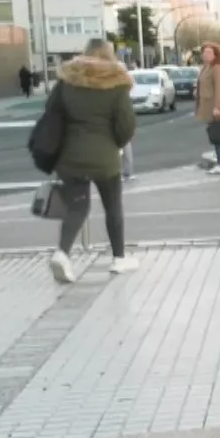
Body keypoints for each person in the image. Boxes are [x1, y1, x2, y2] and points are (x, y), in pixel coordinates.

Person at [48, 38, 138, 281]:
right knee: (112, 206)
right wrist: (116, 145)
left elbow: (52, 117)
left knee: (77, 206)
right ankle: (119, 258)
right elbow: (126, 125)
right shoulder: (116, 84)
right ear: (109, 55)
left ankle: (63, 254)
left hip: (70, 157)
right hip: (105, 157)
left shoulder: (67, 82)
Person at [197, 41, 220, 174]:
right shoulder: (206, 67)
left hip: (215, 106)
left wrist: (217, 107)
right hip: (208, 105)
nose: (206, 55)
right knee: (214, 135)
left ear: (215, 55)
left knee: (218, 136)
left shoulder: (217, 68)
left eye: (209, 52)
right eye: (204, 52)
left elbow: (219, 89)